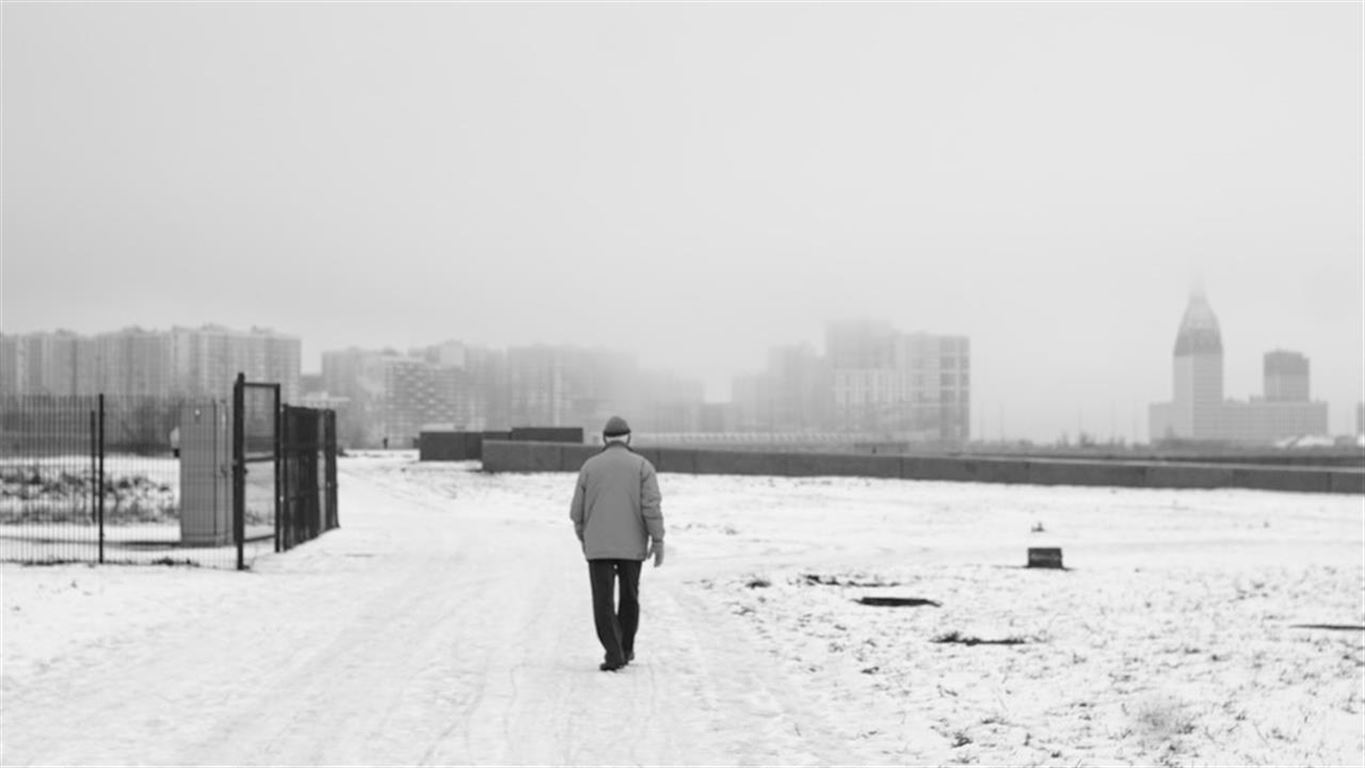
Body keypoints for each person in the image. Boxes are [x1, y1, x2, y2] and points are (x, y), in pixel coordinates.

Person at [570, 415, 664, 672]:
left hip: (598, 544)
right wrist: (657, 540)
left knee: (602, 600)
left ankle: (613, 653)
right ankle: (626, 647)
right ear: (629, 438)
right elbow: (651, 507)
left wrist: (583, 535)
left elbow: (576, 511)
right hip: (632, 545)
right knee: (629, 597)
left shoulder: (590, 466)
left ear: (604, 439)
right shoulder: (643, 466)